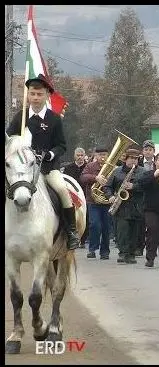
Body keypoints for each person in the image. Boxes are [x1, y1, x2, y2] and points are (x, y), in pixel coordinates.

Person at [6, 74, 81, 250]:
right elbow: (9, 141)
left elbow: (62, 145)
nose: (36, 98)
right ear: (28, 95)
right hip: (22, 169)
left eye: (39, 94)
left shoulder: (54, 119)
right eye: (32, 94)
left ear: (46, 95)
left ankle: (71, 232)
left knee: (62, 190)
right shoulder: (20, 117)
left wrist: (50, 155)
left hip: (47, 168)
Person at [104, 148, 145, 264]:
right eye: (131, 158)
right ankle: (122, 253)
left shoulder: (143, 172)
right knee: (122, 231)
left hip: (136, 206)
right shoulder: (117, 171)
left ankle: (131, 254)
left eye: (136, 159)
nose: (134, 161)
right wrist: (110, 196)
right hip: (121, 206)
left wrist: (134, 186)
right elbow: (107, 186)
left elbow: (147, 186)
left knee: (134, 232)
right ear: (126, 159)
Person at [80, 146, 112, 259]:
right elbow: (83, 178)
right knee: (95, 225)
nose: (102, 157)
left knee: (106, 227)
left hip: (107, 201)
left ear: (107, 155)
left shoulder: (111, 166)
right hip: (93, 201)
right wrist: (96, 178)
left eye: (104, 155)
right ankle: (92, 249)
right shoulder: (90, 166)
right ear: (95, 155)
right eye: (100, 155)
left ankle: (105, 252)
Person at [63, 147, 89, 245]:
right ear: (75, 156)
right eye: (78, 155)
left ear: (84, 156)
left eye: (82, 155)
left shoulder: (87, 167)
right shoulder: (68, 168)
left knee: (85, 216)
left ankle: (83, 239)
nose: (80, 157)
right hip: (72, 195)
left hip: (85, 194)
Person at [135, 139, 156, 256]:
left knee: (152, 226)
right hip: (140, 195)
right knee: (141, 223)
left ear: (154, 151)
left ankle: (151, 248)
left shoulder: (157, 162)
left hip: (154, 194)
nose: (148, 152)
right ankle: (139, 247)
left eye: (150, 150)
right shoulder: (138, 162)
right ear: (142, 151)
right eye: (146, 150)